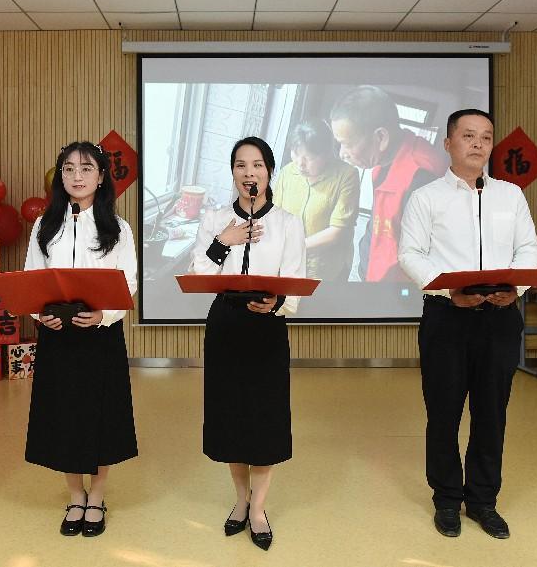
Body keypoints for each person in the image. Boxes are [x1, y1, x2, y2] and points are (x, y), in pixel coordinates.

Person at [398, 109, 537, 540]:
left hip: (499, 317)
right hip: (447, 318)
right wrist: (447, 292)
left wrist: (516, 287)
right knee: (443, 413)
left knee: (491, 413)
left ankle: (483, 500)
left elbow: (528, 248)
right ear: (448, 143)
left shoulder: (510, 195)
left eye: (485, 137)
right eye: (468, 136)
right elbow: (410, 254)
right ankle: (446, 499)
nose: (478, 144)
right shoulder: (426, 197)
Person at [190, 136, 306, 551]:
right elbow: (198, 272)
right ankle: (240, 503)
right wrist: (225, 241)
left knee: (264, 417)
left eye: (257, 165)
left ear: (269, 172)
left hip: (267, 327)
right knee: (231, 416)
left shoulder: (289, 222)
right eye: (240, 165)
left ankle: (259, 509)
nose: (249, 173)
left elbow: (294, 282)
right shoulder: (216, 218)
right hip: (226, 324)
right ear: (233, 172)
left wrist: (277, 304)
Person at [23, 141, 138, 538]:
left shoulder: (117, 229)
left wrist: (104, 315)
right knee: (64, 416)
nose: (76, 176)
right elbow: (31, 278)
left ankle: (98, 495)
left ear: (102, 176)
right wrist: (41, 315)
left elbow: (129, 284)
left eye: (86, 169)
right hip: (58, 337)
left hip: (100, 335)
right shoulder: (44, 225)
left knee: (101, 417)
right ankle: (74, 495)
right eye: (68, 169)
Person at [330, 85, 447, 281]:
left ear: (381, 137)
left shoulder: (422, 177)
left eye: (348, 144)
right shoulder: (382, 162)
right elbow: (381, 225)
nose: (342, 153)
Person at [273, 120, 360, 280]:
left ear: (327, 154)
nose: (300, 163)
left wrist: (295, 248)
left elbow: (337, 231)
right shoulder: (288, 172)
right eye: (295, 153)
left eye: (309, 157)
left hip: (325, 270)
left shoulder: (346, 176)